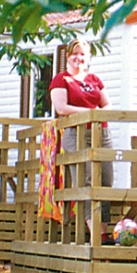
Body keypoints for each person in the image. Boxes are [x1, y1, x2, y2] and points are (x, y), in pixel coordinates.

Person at [49, 37, 113, 242]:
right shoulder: (61, 79)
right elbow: (61, 108)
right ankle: (95, 232)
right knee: (85, 180)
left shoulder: (94, 79)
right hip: (76, 133)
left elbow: (107, 105)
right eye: (75, 54)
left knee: (105, 179)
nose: (79, 58)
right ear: (68, 56)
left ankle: (103, 230)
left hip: (101, 132)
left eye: (82, 54)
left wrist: (97, 115)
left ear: (88, 58)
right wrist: (90, 112)